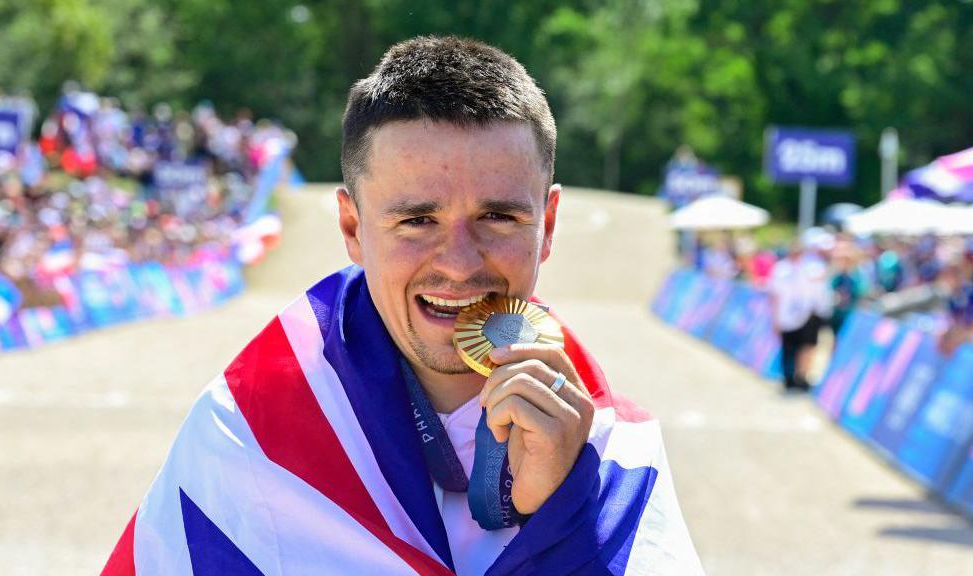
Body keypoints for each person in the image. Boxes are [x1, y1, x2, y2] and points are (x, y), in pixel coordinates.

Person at [101, 36, 702, 575]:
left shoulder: (617, 453)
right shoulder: (247, 439)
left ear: (546, 224)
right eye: (417, 220)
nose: (461, 263)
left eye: (498, 216)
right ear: (352, 226)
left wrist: (567, 515)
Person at [768, 241, 827, 391]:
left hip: (807, 315)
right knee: (789, 348)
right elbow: (774, 295)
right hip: (786, 316)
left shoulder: (810, 268)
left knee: (806, 347)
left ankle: (802, 377)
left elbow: (819, 288)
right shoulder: (781, 269)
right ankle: (788, 378)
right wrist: (775, 318)